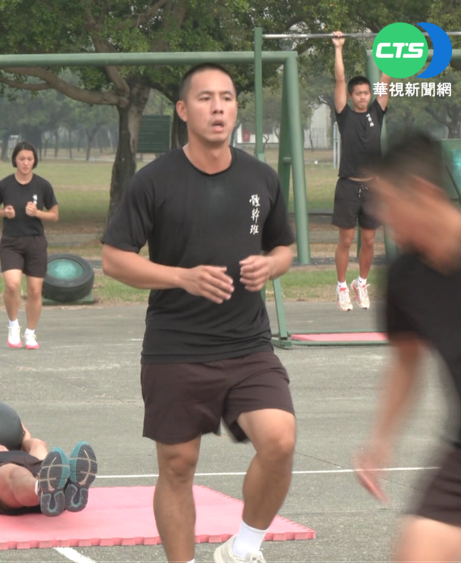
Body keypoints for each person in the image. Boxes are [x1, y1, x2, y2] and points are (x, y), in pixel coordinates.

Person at [101, 63, 296, 563]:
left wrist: (270, 265)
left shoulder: (261, 177)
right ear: (184, 110)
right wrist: (181, 276)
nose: (218, 107)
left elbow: (285, 249)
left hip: (247, 344)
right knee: (178, 465)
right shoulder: (154, 180)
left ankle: (243, 546)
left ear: (236, 109)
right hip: (176, 346)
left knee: (279, 439)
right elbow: (114, 259)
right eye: (206, 98)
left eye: (227, 98)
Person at [355, 131, 461, 562]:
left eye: (389, 203)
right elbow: (406, 362)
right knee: (415, 552)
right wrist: (381, 441)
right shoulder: (405, 278)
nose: (381, 216)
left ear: (423, 194)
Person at [331, 30, 391, 312]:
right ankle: (342, 286)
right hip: (348, 186)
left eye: (367, 92)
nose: (364, 97)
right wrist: (339, 47)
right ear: (352, 96)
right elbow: (340, 79)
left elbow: (386, 77)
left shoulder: (377, 111)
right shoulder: (344, 114)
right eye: (359, 93)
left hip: (373, 187)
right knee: (347, 240)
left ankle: (361, 283)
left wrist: (391, 48)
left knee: (369, 241)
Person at [0, 419, 98, 517]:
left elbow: (37, 444)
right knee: (14, 473)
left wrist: (24, 437)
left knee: (46, 464)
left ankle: (65, 490)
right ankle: (45, 490)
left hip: (40, 476)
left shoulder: (29, 457)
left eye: (0, 444)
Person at [0, 142, 59, 349]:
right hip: (11, 241)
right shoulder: (4, 185)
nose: (25, 163)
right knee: (12, 285)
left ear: (34, 160)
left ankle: (30, 333)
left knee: (35, 291)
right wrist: (4, 213)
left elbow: (54, 214)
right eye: (21, 159)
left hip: (35, 241)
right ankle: (13, 325)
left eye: (29, 159)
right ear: (15, 160)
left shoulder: (43, 185)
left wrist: (38, 213)